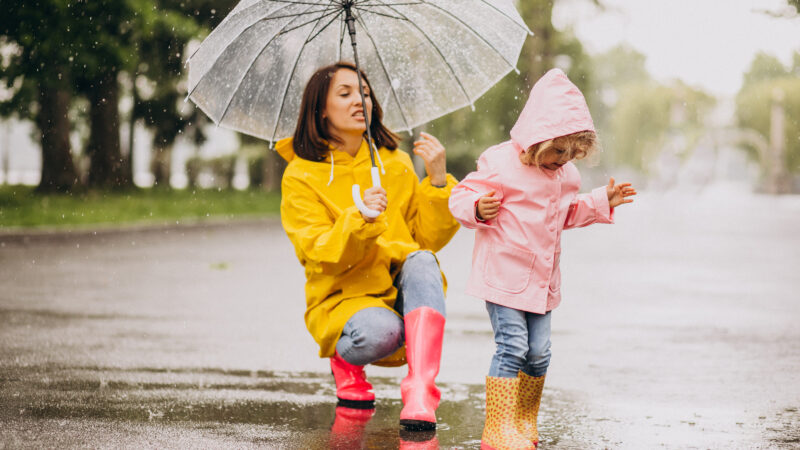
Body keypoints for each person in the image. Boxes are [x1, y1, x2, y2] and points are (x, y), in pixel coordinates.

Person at [448, 68, 637, 449]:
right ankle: (497, 428)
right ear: (537, 136)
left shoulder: (565, 177)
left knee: (538, 354)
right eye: (557, 149)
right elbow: (459, 196)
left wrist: (602, 201)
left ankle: (522, 420)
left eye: (571, 153)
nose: (563, 159)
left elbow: (565, 214)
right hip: (503, 276)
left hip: (541, 280)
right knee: (512, 347)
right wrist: (477, 207)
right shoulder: (500, 162)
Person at [277, 62, 460, 431]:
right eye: (345, 93)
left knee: (423, 260)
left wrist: (438, 182)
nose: (360, 100)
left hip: (396, 290)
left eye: (364, 92)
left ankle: (422, 390)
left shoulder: (395, 162)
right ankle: (345, 360)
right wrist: (360, 218)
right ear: (321, 109)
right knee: (384, 333)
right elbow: (317, 251)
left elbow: (424, 240)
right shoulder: (301, 175)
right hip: (344, 297)